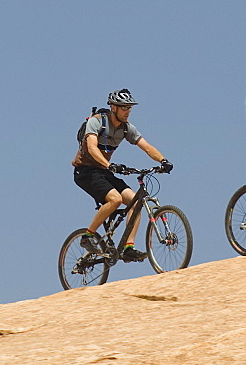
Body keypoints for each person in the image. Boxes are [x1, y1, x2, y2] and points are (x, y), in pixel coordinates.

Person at [72, 89, 173, 262]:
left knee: (135, 202)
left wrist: (163, 160)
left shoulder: (126, 129)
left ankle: (128, 247)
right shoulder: (97, 122)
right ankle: (88, 236)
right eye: (124, 107)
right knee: (115, 199)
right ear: (113, 107)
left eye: (129, 108)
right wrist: (109, 165)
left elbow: (147, 147)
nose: (127, 111)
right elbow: (91, 148)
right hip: (85, 172)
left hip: (104, 171)